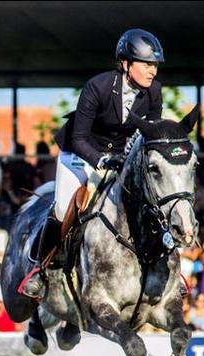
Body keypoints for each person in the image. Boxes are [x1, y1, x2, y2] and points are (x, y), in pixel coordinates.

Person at [19, 28, 164, 299]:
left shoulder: (153, 92)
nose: (152, 71)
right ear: (125, 63)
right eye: (146, 64)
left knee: (151, 201)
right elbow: (79, 137)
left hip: (119, 157)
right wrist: (101, 160)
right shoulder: (97, 87)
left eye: (154, 64)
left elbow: (150, 135)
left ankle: (162, 267)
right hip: (80, 154)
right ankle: (38, 268)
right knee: (63, 207)